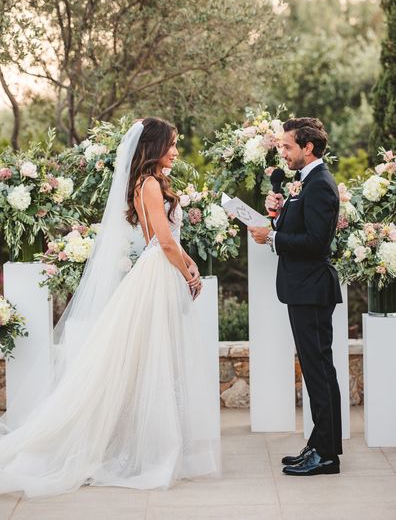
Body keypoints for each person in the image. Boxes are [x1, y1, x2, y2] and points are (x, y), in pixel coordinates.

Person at [0, 117, 220, 498]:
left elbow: (168, 238)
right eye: (172, 144)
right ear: (153, 147)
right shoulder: (149, 184)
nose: (176, 150)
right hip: (158, 275)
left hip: (159, 271)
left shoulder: (147, 182)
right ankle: (146, 452)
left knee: (153, 361)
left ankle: (150, 446)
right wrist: (188, 275)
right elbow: (164, 242)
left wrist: (190, 263)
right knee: (151, 361)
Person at [249, 117, 342, 476]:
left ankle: (327, 455)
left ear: (308, 148)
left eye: (288, 146)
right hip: (303, 288)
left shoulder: (319, 184)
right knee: (318, 369)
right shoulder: (307, 181)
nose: (283, 152)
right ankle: (321, 445)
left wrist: (271, 239)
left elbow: (317, 242)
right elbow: (300, 227)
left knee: (318, 370)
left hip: (311, 288)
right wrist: (276, 217)